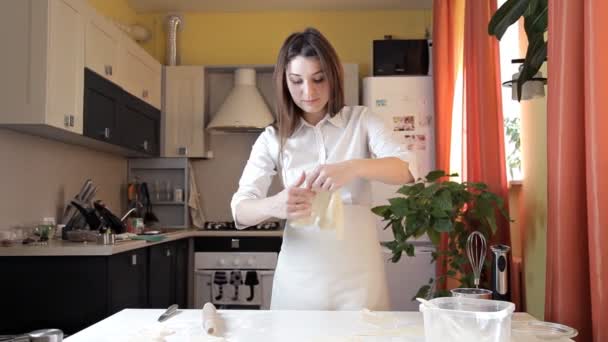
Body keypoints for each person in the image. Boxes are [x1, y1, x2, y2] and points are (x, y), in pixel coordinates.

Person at [231, 27, 417, 311]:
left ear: (334, 76)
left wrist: (354, 167)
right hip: (299, 282)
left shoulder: (361, 120)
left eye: (319, 79)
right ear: (284, 82)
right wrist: (275, 204)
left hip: (360, 280)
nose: (309, 92)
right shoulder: (273, 138)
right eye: (297, 81)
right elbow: (240, 210)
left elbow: (406, 169)